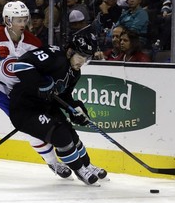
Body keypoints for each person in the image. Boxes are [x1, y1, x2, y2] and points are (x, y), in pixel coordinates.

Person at [0, 1, 72, 186]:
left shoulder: (32, 43)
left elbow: (39, 69)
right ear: (8, 20)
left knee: (30, 121)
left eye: (25, 19)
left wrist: (45, 81)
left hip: (7, 87)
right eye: (18, 19)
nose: (23, 23)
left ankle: (53, 163)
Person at [9, 34, 108, 186]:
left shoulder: (75, 72)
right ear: (70, 51)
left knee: (71, 134)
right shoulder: (54, 56)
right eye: (80, 55)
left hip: (46, 106)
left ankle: (87, 165)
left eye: (87, 58)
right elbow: (20, 65)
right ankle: (80, 170)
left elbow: (64, 95)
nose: (83, 61)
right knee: (61, 136)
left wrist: (75, 109)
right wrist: (40, 83)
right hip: (25, 109)